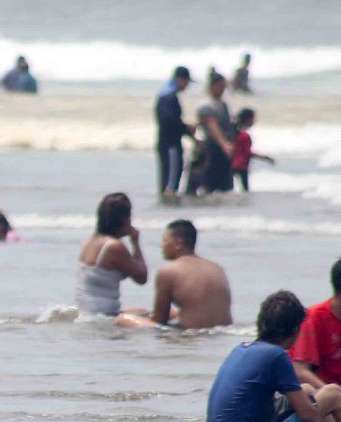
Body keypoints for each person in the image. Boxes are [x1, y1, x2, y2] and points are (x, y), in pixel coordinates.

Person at [205, 291, 341, 422]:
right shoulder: (276, 355)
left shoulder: (242, 348)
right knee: (334, 394)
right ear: (295, 330)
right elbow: (308, 417)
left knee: (306, 390)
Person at [116, 219, 233, 330]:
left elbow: (159, 320)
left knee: (122, 320)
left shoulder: (168, 271)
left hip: (192, 334)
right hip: (221, 332)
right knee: (153, 311)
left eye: (165, 241)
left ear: (178, 244)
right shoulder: (216, 267)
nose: (161, 246)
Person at [288, 254, 341, 396]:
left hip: (336, 395)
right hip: (310, 396)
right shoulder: (314, 318)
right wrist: (339, 396)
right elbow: (300, 371)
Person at [76, 193, 146, 317]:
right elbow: (141, 277)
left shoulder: (91, 242)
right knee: (157, 323)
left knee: (146, 312)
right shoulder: (114, 246)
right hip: (104, 316)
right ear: (123, 220)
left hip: (87, 312)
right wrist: (135, 243)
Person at [187, 73, 236, 195]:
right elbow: (211, 124)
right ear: (212, 86)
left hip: (221, 149)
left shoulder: (222, 104)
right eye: (221, 86)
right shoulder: (206, 104)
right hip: (211, 148)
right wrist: (224, 143)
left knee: (224, 185)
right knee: (209, 184)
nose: (223, 89)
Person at [154, 67, 192, 201]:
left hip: (167, 142)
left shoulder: (165, 95)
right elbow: (169, 121)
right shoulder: (169, 97)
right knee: (170, 184)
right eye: (186, 82)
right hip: (170, 144)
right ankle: (168, 209)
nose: (187, 86)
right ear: (180, 79)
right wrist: (186, 128)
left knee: (169, 178)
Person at [231, 109, 272, 190]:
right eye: (253, 119)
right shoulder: (244, 135)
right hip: (241, 165)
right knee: (245, 190)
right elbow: (247, 153)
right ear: (248, 119)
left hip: (232, 164)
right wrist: (265, 158)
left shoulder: (234, 133)